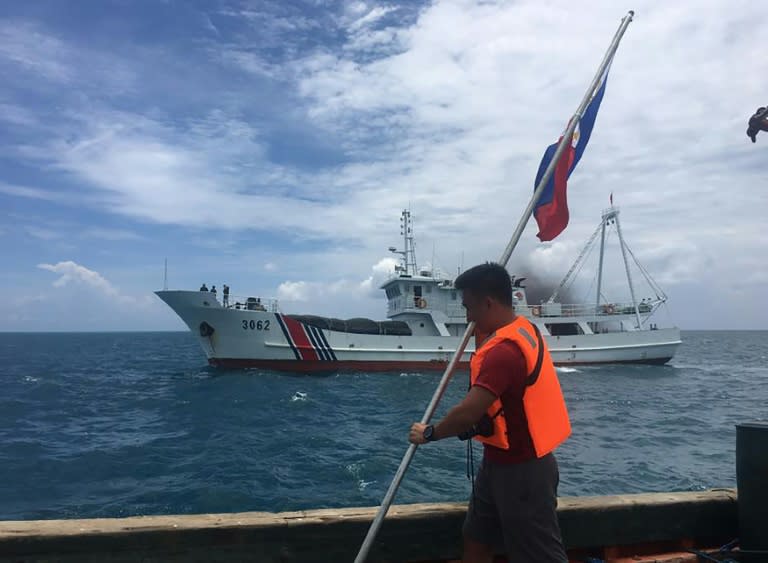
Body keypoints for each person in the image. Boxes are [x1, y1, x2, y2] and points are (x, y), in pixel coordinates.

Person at [409, 262, 571, 563]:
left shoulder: (504, 352)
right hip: (496, 463)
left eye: (469, 306)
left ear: (487, 302)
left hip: (524, 471)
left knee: (539, 554)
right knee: (476, 537)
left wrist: (429, 433)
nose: (468, 316)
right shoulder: (522, 329)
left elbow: (468, 413)